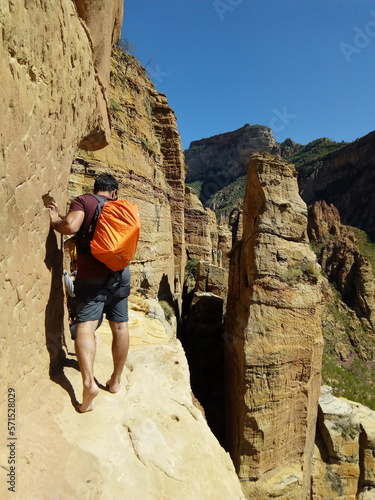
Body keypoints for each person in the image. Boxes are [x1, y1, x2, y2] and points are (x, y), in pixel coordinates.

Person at [47, 174, 130, 413]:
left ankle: (88, 384)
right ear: (114, 192)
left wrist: (55, 220)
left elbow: (71, 226)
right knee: (121, 326)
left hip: (92, 274)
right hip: (121, 273)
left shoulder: (84, 201)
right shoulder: (120, 208)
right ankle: (115, 381)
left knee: (85, 326)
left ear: (95, 189)